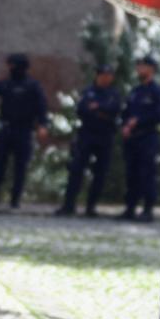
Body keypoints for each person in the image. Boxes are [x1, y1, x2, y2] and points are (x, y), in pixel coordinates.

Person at [0, 53, 49, 209]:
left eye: (11, 65)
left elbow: (42, 106)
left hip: (24, 130)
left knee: (20, 167)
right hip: (6, 128)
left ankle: (15, 200)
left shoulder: (32, 86)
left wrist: (43, 125)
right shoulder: (8, 84)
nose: (10, 68)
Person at [56, 64, 121, 217]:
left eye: (109, 75)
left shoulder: (113, 93)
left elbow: (114, 109)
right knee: (76, 169)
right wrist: (101, 110)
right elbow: (82, 109)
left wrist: (97, 108)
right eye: (104, 75)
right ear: (98, 75)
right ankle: (69, 205)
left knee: (100, 172)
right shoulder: (88, 91)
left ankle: (91, 207)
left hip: (105, 136)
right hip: (86, 135)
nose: (107, 78)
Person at [120, 56, 160, 223]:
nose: (139, 69)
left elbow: (159, 115)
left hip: (148, 137)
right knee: (131, 174)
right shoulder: (135, 91)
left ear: (151, 69)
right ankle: (130, 208)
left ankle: (148, 209)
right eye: (138, 66)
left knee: (147, 173)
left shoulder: (157, 92)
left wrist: (138, 121)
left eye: (142, 66)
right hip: (132, 138)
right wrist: (125, 125)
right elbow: (125, 112)